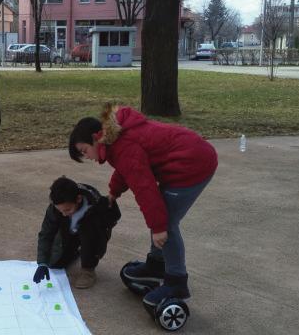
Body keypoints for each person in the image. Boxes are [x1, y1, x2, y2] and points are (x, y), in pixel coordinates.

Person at [68, 104, 217, 308]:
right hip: (184, 158)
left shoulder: (123, 145)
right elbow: (126, 169)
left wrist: (158, 227)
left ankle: (176, 282)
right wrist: (114, 191)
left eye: (85, 151)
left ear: (96, 137)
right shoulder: (115, 142)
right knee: (160, 219)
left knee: (166, 225)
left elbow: (145, 188)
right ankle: (157, 265)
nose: (88, 157)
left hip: (193, 164)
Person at [33, 176, 121, 289]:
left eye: (67, 210)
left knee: (89, 230)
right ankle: (76, 252)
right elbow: (46, 233)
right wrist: (42, 263)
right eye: (61, 211)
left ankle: (88, 270)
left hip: (90, 234)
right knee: (55, 264)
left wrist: (107, 215)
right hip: (70, 233)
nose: (64, 214)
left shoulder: (96, 206)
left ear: (78, 199)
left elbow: (113, 219)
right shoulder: (56, 208)